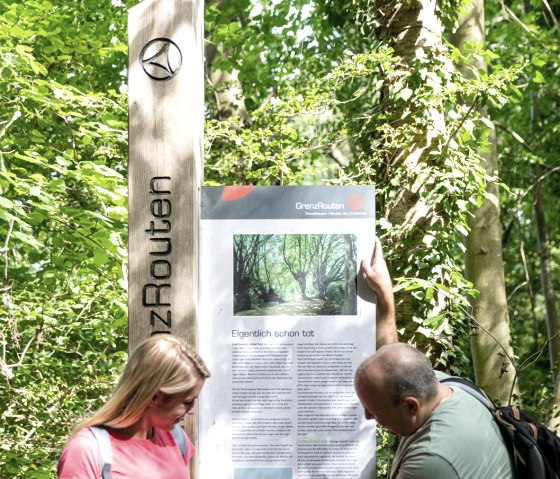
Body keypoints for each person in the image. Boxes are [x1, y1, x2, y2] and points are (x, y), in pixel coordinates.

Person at [355, 238, 516, 479]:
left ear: (411, 405)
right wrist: (385, 297)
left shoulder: (430, 463)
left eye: (374, 410)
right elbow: (390, 365)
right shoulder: (445, 388)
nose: (367, 416)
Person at [57, 333, 210, 479]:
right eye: (187, 402)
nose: (192, 411)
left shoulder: (177, 440)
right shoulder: (87, 448)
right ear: (155, 396)